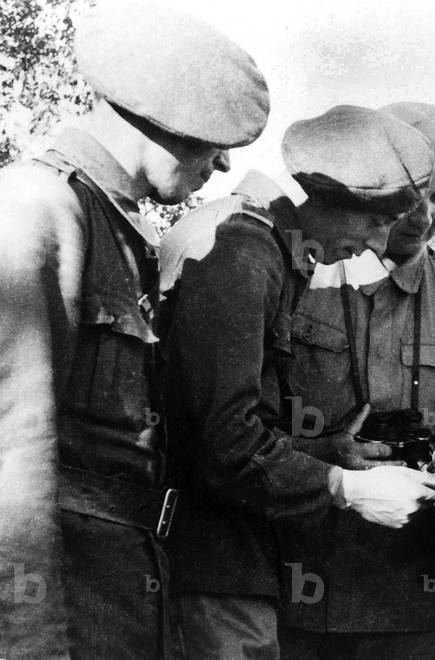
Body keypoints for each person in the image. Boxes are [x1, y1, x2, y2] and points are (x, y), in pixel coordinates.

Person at [0, 4, 269, 658]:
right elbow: (14, 449)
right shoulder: (41, 209)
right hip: (65, 616)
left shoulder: (120, 230)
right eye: (214, 141)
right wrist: (29, 640)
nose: (222, 168)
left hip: (119, 593)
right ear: (161, 123)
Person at [157, 105, 435, 660]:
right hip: (211, 567)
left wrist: (327, 451)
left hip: (230, 563)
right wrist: (349, 488)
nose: (376, 245)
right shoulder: (240, 254)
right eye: (374, 221)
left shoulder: (255, 243)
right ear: (325, 199)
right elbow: (223, 445)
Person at [275, 102, 435, 660]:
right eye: (412, 197)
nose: (425, 215)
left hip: (403, 591)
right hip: (288, 577)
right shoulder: (298, 271)